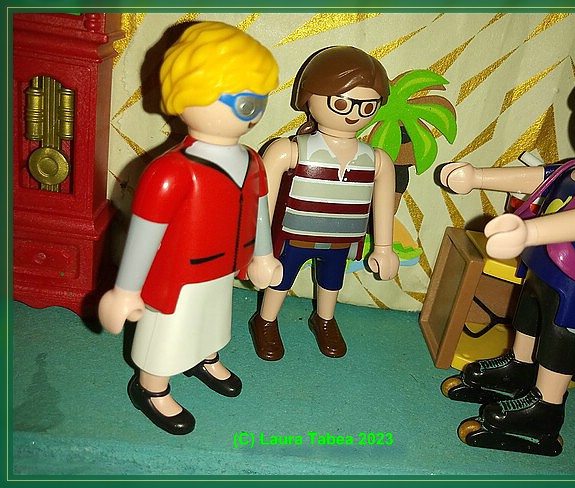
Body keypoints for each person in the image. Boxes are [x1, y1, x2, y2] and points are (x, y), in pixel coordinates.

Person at [438, 71, 575, 456]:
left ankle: (546, 407)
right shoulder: (572, 171)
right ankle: (519, 366)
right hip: (545, 270)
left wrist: (530, 232)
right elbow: (538, 178)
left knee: (561, 340)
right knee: (528, 318)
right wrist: (477, 177)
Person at [98, 21, 282, 435]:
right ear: (186, 94)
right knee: (166, 332)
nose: (252, 108)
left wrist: (264, 254)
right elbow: (144, 234)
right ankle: (151, 387)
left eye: (258, 98)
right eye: (241, 98)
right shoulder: (169, 172)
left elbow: (258, 209)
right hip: (177, 275)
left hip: (223, 267)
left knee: (215, 319)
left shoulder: (252, 160)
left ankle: (205, 357)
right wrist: (125, 290)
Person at [249, 46, 400, 361]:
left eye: (367, 105)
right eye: (342, 103)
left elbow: (383, 206)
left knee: (332, 281)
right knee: (280, 279)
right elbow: (262, 199)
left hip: (341, 239)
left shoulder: (376, 159)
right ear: (309, 97)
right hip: (295, 235)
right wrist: (260, 252)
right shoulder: (290, 150)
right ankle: (265, 320)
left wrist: (384, 248)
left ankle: (325, 320)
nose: (354, 113)